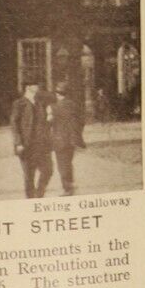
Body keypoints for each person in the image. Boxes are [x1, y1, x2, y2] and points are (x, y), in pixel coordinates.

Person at [9, 75, 53, 199]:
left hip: (41, 144)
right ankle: (31, 201)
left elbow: (46, 121)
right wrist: (18, 143)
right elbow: (14, 124)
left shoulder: (41, 103)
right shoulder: (19, 103)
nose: (37, 87)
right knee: (29, 176)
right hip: (26, 145)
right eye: (35, 85)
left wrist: (49, 116)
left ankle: (39, 195)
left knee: (48, 171)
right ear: (28, 87)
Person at [49, 62, 85, 196]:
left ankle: (67, 188)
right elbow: (81, 121)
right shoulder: (73, 105)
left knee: (62, 164)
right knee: (68, 162)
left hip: (59, 139)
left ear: (57, 94)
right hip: (72, 140)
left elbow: (49, 122)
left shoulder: (54, 107)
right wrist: (77, 134)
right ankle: (70, 183)